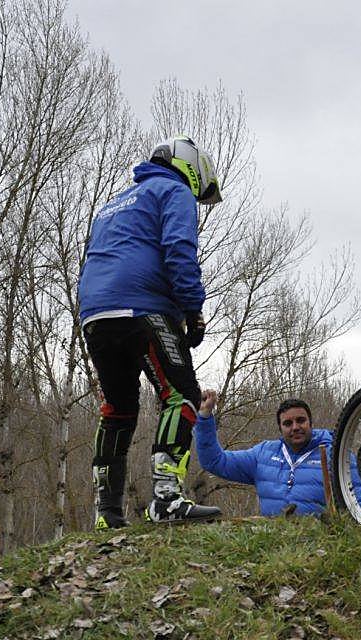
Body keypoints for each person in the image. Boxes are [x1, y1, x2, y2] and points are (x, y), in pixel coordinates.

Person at [78, 135, 224, 530]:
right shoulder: (173, 190)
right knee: (183, 396)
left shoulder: (114, 203)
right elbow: (179, 250)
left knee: (118, 409)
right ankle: (166, 500)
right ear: (192, 168)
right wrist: (193, 310)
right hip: (141, 306)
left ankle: (106, 514)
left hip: (94, 313)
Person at [193, 393, 361, 516]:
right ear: (280, 428)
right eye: (288, 423)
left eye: (301, 420)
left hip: (320, 544)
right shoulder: (263, 454)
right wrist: (205, 416)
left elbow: (359, 505)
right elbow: (214, 461)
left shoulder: (335, 454)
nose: (295, 427)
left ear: (311, 423)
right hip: (274, 545)